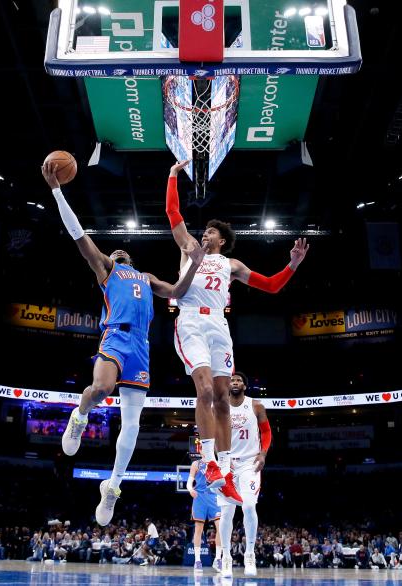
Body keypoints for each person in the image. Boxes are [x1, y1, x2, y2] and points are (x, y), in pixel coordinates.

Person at [42, 161, 206, 525]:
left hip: (141, 347)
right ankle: (79, 417)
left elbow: (178, 291)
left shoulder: (146, 277)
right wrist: (56, 190)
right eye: (113, 252)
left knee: (132, 424)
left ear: (130, 258)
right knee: (100, 388)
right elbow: (78, 234)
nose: (117, 252)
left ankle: (112, 487)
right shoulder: (106, 269)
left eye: (121, 252)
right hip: (116, 334)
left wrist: (194, 264)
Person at [165, 160, 309, 505]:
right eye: (205, 231)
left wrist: (292, 264)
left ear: (223, 239)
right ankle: (210, 463)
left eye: (212, 232)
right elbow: (173, 213)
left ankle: (226, 470)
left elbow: (272, 286)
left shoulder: (233, 265)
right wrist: (172, 176)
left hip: (218, 325)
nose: (205, 234)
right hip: (190, 320)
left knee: (222, 399)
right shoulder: (189, 248)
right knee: (202, 391)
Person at [216, 371, 271, 577]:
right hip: (227, 464)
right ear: (227, 385)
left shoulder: (256, 406)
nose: (236, 382)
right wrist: (221, 458)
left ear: (245, 386)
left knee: (249, 506)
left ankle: (249, 555)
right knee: (227, 513)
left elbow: (266, 432)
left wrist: (263, 453)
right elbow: (213, 435)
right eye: (232, 380)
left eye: (239, 380)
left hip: (249, 463)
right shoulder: (219, 407)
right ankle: (226, 558)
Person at [187, 446, 221, 573]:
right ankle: (197, 560)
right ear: (200, 450)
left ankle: (218, 559)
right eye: (202, 448)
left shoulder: (216, 463)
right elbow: (189, 481)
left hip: (213, 497)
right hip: (199, 497)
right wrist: (190, 489)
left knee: (220, 528)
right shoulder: (196, 464)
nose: (204, 450)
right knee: (198, 529)